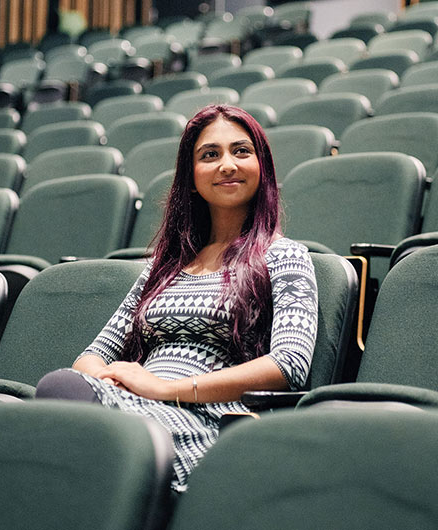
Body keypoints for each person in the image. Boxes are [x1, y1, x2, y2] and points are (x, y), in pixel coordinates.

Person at [35, 104, 318, 492]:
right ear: (190, 178)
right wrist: (116, 380)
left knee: (59, 400)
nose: (227, 165)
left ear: (262, 167)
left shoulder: (284, 255)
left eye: (241, 151)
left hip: (208, 421)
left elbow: (289, 365)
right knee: (53, 400)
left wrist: (166, 390)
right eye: (210, 155)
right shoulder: (163, 268)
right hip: (137, 407)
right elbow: (92, 356)